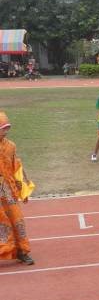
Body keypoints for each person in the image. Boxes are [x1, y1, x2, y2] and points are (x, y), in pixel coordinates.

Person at [0, 111, 35, 265]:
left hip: (8, 190)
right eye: (3, 128)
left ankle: (22, 251)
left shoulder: (11, 146)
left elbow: (17, 166)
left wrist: (24, 183)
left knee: (17, 218)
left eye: (7, 128)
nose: (6, 132)